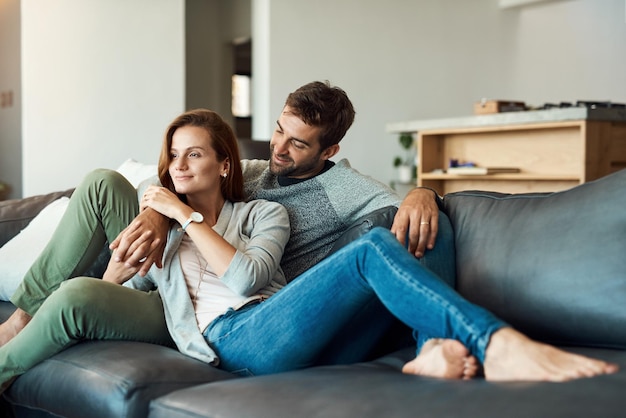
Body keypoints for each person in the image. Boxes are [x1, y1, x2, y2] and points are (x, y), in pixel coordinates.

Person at [0, 83, 617, 385]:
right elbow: (181, 173)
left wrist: (425, 190)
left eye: (298, 143)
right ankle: (21, 315)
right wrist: (162, 210)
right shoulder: (252, 171)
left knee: (407, 230)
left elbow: (248, 272)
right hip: (209, 310)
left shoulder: (322, 195)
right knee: (102, 182)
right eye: (278, 132)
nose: (281, 151)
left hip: (266, 310)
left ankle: (463, 342)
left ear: (331, 148)